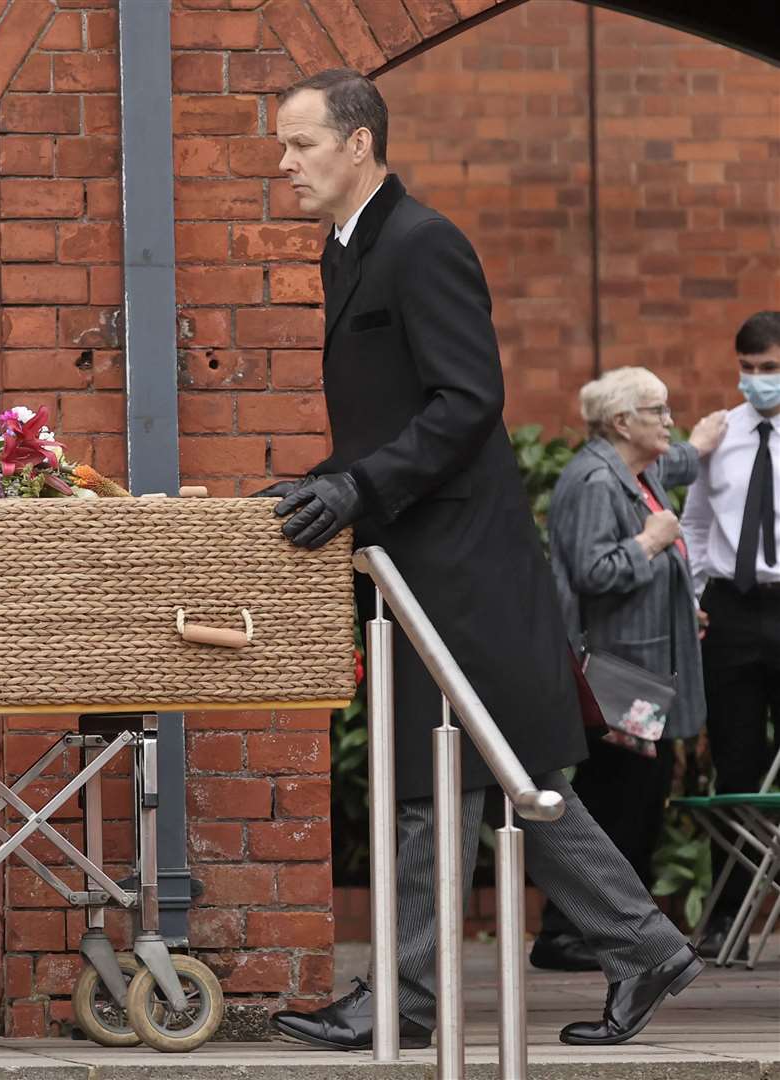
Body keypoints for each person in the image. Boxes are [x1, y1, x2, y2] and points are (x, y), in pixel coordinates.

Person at [261, 70, 699, 1051]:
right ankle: (641, 950)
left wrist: (354, 490)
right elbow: (395, 416)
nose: (285, 164)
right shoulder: (351, 252)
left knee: (459, 777)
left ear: (361, 143)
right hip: (421, 553)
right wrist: (324, 482)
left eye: (301, 143)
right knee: (492, 775)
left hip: (461, 562)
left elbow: (467, 402)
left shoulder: (421, 244)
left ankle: (416, 1001)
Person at [531, 369, 728, 971]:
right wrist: (651, 541)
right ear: (622, 422)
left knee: (634, 799)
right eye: (658, 411)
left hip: (636, 675)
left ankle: (600, 933)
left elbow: (679, 463)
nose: (670, 420)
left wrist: (709, 444)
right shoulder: (595, 481)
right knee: (619, 802)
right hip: (616, 676)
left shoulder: (631, 470)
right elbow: (594, 573)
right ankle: (572, 934)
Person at [679, 310, 780, 958]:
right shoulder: (717, 435)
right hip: (732, 611)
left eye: (768, 370)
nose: (756, 382)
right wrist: (690, 599)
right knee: (735, 764)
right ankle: (727, 922)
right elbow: (690, 527)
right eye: (747, 370)